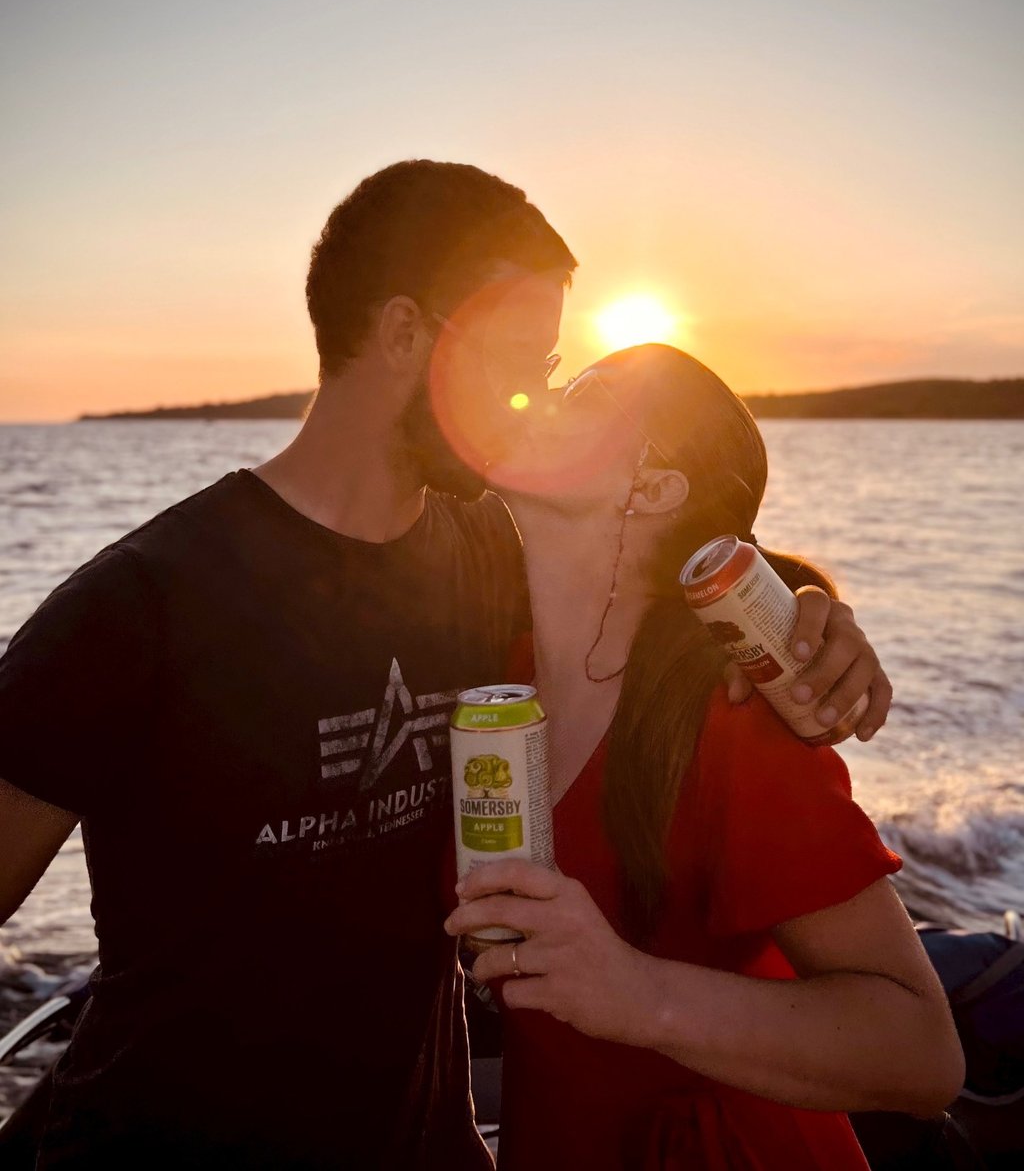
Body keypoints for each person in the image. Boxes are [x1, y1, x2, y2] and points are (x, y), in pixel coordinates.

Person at [0, 162, 890, 1170]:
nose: (529, 398)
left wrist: (809, 618)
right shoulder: (137, 604)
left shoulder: (482, 562)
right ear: (406, 336)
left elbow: (647, 581)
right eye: (523, 357)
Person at [445, 343, 965, 1170]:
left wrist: (636, 993)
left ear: (652, 488)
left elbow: (923, 1055)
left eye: (589, 397)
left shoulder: (727, 715)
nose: (537, 396)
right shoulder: (493, 683)